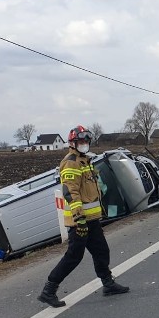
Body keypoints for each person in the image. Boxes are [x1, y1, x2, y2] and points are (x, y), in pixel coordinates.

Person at [37, 125, 129, 308]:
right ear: (73, 143)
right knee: (74, 256)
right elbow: (71, 192)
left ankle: (108, 284)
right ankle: (48, 290)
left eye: (86, 141)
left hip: (92, 220)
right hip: (80, 221)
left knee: (102, 251)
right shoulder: (71, 162)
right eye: (81, 141)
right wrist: (79, 219)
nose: (84, 144)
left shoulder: (85, 160)